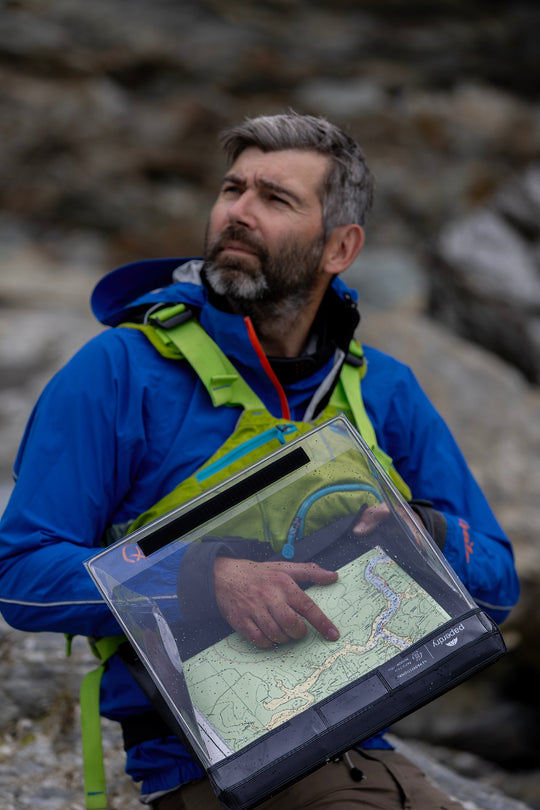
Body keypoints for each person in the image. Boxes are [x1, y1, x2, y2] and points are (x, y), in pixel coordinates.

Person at [0, 112, 519, 810]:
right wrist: (202, 578)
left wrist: (420, 531)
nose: (237, 214)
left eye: (275, 200)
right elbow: (21, 575)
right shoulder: (119, 371)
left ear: (341, 247)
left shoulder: (382, 389)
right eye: (231, 189)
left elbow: (497, 585)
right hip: (210, 764)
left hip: (369, 742)